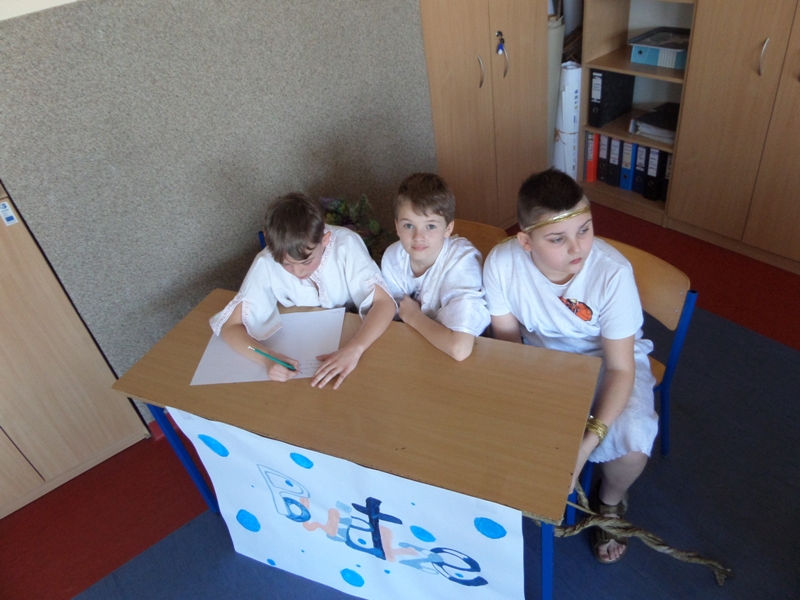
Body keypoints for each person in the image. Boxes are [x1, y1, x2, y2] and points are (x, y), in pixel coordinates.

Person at [483, 168, 658, 564]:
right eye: (558, 238)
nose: (577, 247)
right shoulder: (502, 263)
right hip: (541, 359)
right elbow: (508, 343)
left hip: (609, 360)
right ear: (525, 241)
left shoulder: (613, 273)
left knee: (631, 448)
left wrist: (583, 447)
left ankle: (609, 501)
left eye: (584, 229)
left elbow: (621, 369)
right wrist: (534, 406)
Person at [210, 192, 396, 390]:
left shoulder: (346, 245)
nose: (298, 272)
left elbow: (384, 303)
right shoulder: (266, 262)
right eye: (286, 264)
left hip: (357, 335)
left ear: (325, 240)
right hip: (303, 346)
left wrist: (355, 349)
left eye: (307, 261)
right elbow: (230, 327)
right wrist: (267, 358)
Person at [380, 173, 490, 361]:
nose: (418, 237)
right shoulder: (393, 257)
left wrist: (413, 316)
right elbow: (393, 320)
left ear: (448, 229)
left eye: (430, 226)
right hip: (418, 347)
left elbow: (459, 349)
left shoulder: (462, 262)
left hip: (471, 357)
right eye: (408, 226)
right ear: (397, 226)